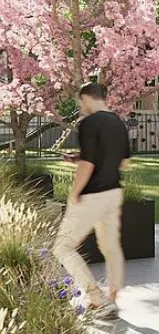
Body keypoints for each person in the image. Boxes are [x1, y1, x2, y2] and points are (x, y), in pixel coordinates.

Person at [52, 82, 132, 320]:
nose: (81, 107)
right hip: (113, 193)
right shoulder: (118, 122)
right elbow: (123, 162)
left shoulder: (88, 123)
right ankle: (112, 300)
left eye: (80, 102)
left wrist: (74, 193)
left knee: (62, 248)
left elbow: (88, 165)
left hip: (92, 196)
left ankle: (97, 299)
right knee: (110, 246)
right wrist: (78, 158)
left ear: (85, 98)